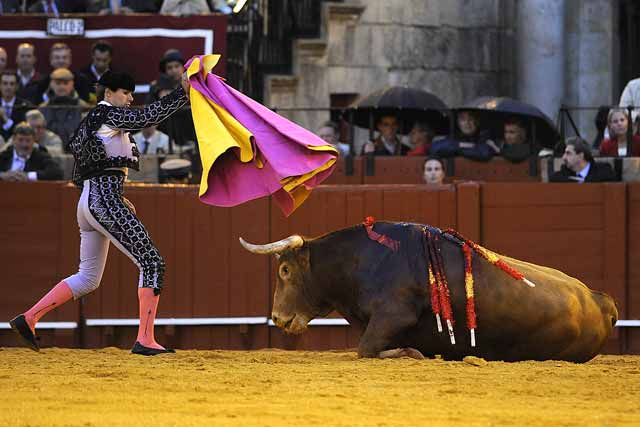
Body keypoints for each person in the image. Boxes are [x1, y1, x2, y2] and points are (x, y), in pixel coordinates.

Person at [9, 70, 190, 356]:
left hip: (90, 200)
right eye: (126, 93)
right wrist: (182, 94)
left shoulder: (91, 122)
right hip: (103, 200)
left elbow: (80, 173)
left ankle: (29, 318)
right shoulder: (107, 114)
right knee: (152, 262)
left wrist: (109, 195)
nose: (130, 98)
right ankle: (145, 338)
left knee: (88, 278)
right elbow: (145, 119)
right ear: (108, 93)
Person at [38, 68, 90, 149]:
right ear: (51, 84)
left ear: (72, 84)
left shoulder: (83, 107)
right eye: (58, 83)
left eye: (66, 83)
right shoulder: (42, 109)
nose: (62, 87)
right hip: (50, 153)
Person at [430, 110, 497, 161]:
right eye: (463, 119)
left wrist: (456, 150)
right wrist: (461, 145)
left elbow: (484, 153)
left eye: (470, 119)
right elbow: (435, 148)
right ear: (458, 122)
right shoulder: (455, 135)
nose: (467, 123)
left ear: (477, 122)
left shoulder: (484, 135)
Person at [549, 137, 616, 183]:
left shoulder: (604, 170)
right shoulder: (565, 172)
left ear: (581, 156)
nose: (564, 157)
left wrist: (584, 180)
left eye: (568, 153)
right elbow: (553, 178)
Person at [1, 70, 32, 141]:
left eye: (12, 84)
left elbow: (24, 131)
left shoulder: (25, 106)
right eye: (5, 83)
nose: (8, 87)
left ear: (17, 86)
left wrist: (5, 118)